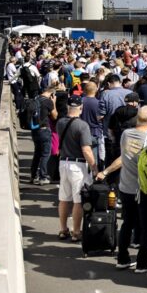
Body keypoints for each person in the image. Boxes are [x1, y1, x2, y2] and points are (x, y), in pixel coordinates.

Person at [99, 105, 147, 272]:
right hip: (145, 189)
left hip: (126, 186)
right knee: (146, 225)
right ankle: (142, 262)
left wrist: (106, 171)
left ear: (137, 118)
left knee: (127, 223)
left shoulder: (126, 135)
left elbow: (123, 157)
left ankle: (122, 258)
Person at [56, 96, 99, 241]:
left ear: (68, 107)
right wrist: (94, 167)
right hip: (78, 165)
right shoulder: (82, 125)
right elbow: (86, 150)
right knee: (78, 200)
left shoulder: (60, 122)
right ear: (81, 108)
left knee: (63, 198)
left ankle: (63, 229)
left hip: (63, 162)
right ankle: (76, 231)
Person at [31, 85, 57, 185]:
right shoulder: (48, 101)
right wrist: (53, 103)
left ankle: (33, 176)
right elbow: (54, 116)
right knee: (46, 154)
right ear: (52, 93)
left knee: (37, 153)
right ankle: (43, 176)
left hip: (35, 130)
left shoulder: (35, 98)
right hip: (44, 130)